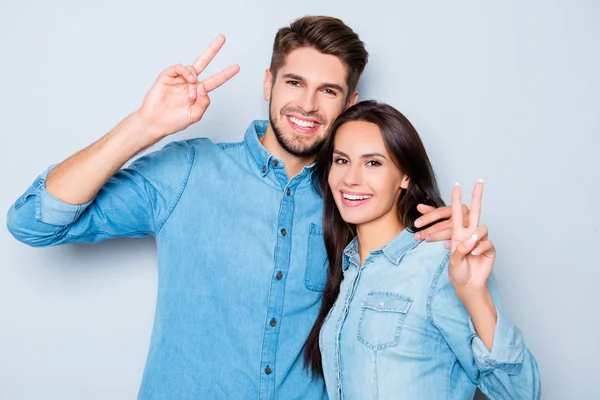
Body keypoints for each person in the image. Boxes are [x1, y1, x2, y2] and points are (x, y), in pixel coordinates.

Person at [7, 17, 456, 399]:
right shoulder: (189, 170)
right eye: (295, 82)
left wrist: (455, 237)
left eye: (328, 91)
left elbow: (414, 265)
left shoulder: (352, 196)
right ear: (268, 83)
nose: (307, 104)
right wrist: (143, 127)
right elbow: (33, 223)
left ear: (349, 104)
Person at [304, 100, 541, 399]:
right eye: (341, 160)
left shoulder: (441, 263)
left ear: (405, 175)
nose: (350, 179)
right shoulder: (348, 269)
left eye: (373, 163)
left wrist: (474, 295)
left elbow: (521, 394)